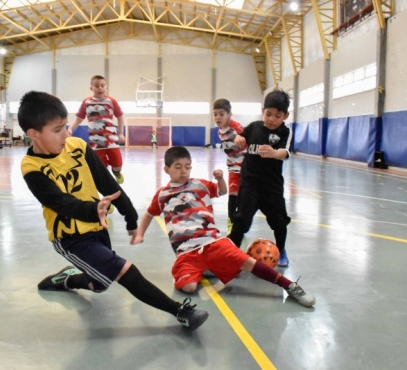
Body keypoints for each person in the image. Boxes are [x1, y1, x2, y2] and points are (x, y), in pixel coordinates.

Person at [18, 91, 208, 331]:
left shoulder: (77, 146)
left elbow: (107, 183)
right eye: (57, 130)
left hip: (97, 227)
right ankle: (180, 312)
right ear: (33, 134)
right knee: (124, 270)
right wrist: (92, 209)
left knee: (100, 284)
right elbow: (60, 202)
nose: (66, 133)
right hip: (70, 238)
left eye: (66, 126)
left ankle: (66, 279)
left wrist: (129, 214)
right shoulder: (31, 167)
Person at [131, 146, 315, 307]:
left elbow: (222, 191)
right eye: (178, 167)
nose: (183, 172)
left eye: (187, 167)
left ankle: (289, 285)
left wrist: (220, 179)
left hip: (213, 241)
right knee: (188, 288)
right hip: (185, 252)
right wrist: (140, 233)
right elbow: (149, 214)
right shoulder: (162, 194)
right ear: (166, 169)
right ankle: (207, 267)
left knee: (248, 262)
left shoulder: (200, 184)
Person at [227, 89, 292, 268]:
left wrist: (274, 153)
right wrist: (239, 139)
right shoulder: (254, 126)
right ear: (263, 111)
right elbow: (241, 136)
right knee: (240, 219)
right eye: (268, 114)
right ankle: (231, 251)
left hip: (272, 186)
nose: (271, 119)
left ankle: (282, 249)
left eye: (277, 116)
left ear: (285, 115)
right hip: (250, 184)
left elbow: (285, 152)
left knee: (279, 220)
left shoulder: (284, 132)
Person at [69, 75, 126, 184]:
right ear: (91, 88)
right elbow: (79, 118)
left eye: (102, 85)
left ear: (106, 87)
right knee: (101, 168)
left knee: (117, 164)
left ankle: (116, 172)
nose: (100, 88)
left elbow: (120, 117)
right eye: (97, 86)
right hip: (96, 142)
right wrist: (71, 128)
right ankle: (108, 186)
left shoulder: (111, 101)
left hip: (111, 140)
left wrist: (120, 133)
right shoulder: (86, 102)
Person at [213, 98, 246, 233]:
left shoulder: (234, 125)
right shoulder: (219, 131)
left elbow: (242, 133)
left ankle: (240, 221)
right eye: (215, 114)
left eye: (222, 114)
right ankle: (231, 222)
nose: (218, 117)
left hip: (245, 167)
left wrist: (240, 137)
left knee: (242, 197)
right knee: (232, 194)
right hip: (232, 167)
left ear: (229, 115)